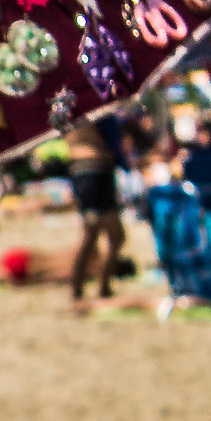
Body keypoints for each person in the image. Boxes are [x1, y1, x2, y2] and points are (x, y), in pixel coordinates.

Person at [67, 110, 128, 304]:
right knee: (107, 235)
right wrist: (125, 163)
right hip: (96, 170)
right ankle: (92, 289)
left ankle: (87, 289)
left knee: (94, 235)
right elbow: (110, 137)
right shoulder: (96, 106)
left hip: (81, 169)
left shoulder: (66, 107)